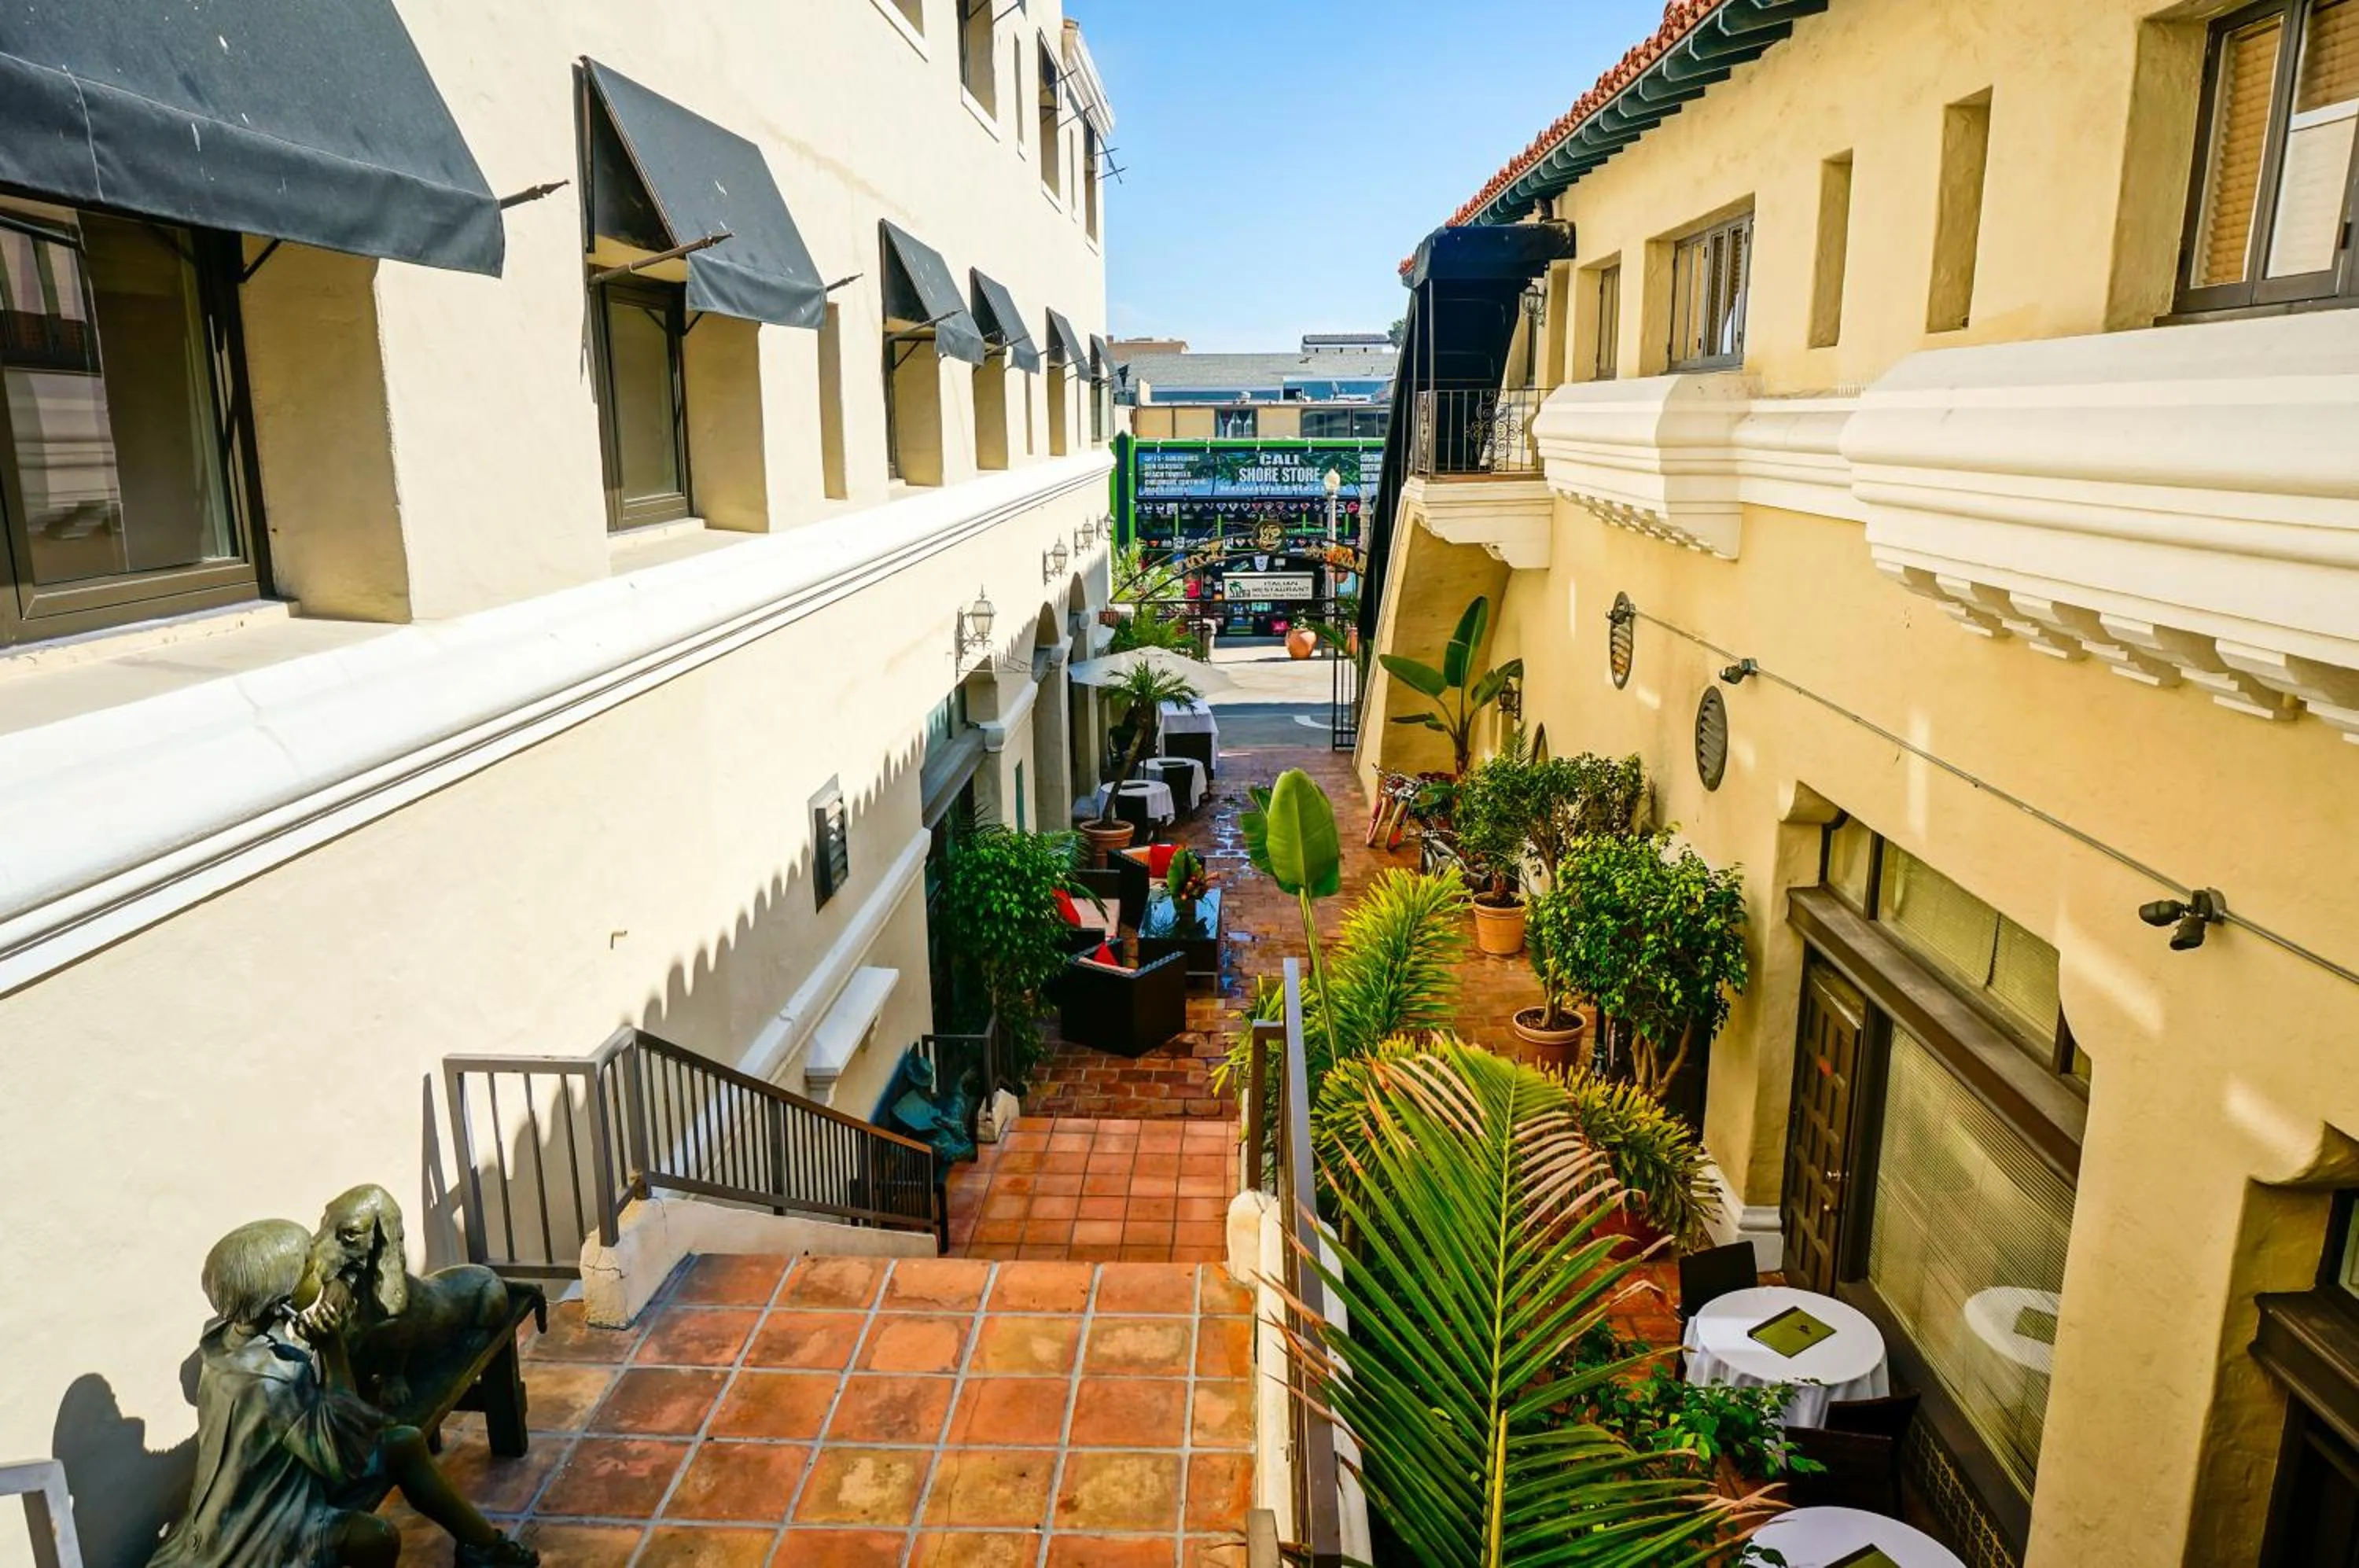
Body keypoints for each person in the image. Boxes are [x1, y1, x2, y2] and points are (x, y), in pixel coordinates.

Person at [149, 1219, 536, 1566]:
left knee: (404, 1442)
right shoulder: (272, 1383)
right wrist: (333, 1349)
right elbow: (344, 1449)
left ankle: (485, 1550)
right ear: (280, 1299)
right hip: (271, 1516)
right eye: (307, 1267)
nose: (317, 1268)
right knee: (378, 1539)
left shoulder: (222, 1342)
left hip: (288, 1470)